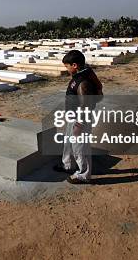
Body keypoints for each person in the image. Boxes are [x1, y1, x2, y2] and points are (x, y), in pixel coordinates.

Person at [54, 49, 103, 184]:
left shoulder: (83, 82)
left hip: (80, 119)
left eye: (67, 66)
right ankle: (68, 165)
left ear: (74, 65)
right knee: (69, 142)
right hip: (73, 117)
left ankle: (83, 174)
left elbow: (86, 104)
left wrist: (79, 124)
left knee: (80, 146)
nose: (67, 69)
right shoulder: (80, 75)